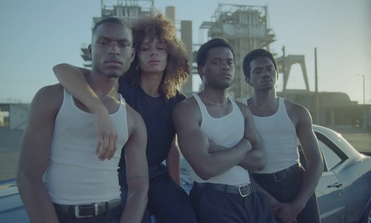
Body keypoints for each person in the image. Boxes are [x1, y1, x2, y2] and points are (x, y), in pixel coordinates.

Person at [52, 12, 197, 223]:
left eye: (160, 49)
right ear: (135, 54)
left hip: (157, 175)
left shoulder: (177, 101)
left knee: (184, 215)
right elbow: (62, 70)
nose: (153, 54)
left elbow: (172, 147)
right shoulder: (119, 87)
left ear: (171, 56)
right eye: (146, 49)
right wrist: (98, 109)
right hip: (118, 175)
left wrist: (174, 185)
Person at [17, 17, 149, 223]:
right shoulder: (52, 97)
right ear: (90, 51)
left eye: (123, 44)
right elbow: (28, 174)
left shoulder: (133, 119)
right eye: (104, 42)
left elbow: (139, 185)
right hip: (57, 214)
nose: (114, 50)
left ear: (131, 55)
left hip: (110, 215)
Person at [173, 38, 276, 223]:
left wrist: (218, 150)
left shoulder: (242, 110)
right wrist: (245, 145)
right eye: (216, 62)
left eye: (229, 62)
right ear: (201, 70)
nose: (225, 67)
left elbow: (260, 160)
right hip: (214, 201)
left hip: (252, 200)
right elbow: (206, 168)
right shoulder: (188, 109)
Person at [242, 48, 323, 223]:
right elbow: (236, 164)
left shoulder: (297, 112)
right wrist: (271, 203)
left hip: (297, 185)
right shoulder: (239, 113)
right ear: (248, 79)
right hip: (259, 187)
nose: (265, 73)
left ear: (277, 74)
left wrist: (297, 206)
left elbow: (316, 161)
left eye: (269, 69)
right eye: (258, 71)